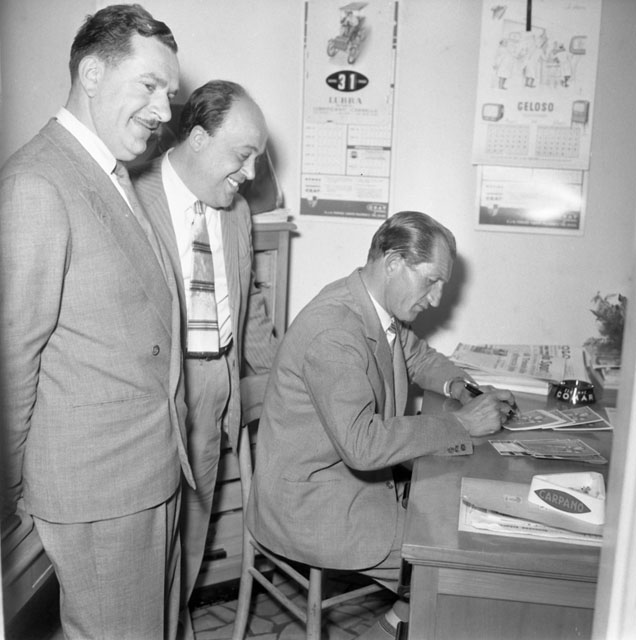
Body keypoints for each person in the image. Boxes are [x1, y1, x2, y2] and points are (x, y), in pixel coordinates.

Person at [0, 5, 193, 639]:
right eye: (150, 86)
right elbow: (11, 361)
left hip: (146, 472)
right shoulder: (36, 182)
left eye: (169, 93)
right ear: (91, 73)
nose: (164, 110)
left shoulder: (110, 172)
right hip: (99, 489)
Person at [246, 211, 516, 639]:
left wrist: (463, 389)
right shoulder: (334, 331)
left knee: (455, 520)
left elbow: (420, 358)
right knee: (457, 558)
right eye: (431, 281)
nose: (437, 299)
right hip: (311, 505)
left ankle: (395, 623)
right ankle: (408, 620)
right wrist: (462, 424)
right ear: (393, 263)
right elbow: (364, 445)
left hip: (348, 483)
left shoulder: (373, 307)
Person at [133, 79, 278, 639]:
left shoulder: (235, 210)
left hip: (215, 387)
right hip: (154, 397)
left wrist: (287, 379)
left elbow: (249, 306)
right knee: (145, 551)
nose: (251, 173)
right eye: (242, 155)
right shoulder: (131, 194)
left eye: (257, 158)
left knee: (190, 539)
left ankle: (175, 626)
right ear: (197, 138)